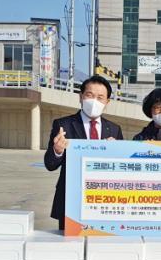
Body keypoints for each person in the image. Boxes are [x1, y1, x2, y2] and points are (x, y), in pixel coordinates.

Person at [44, 75, 124, 230]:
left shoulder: (114, 129)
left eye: (100, 98)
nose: (94, 101)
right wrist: (57, 150)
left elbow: (121, 170)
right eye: (89, 95)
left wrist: (116, 154)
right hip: (71, 201)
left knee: (103, 243)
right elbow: (50, 164)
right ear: (80, 97)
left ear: (107, 102)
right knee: (70, 244)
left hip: (103, 201)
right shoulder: (63, 125)